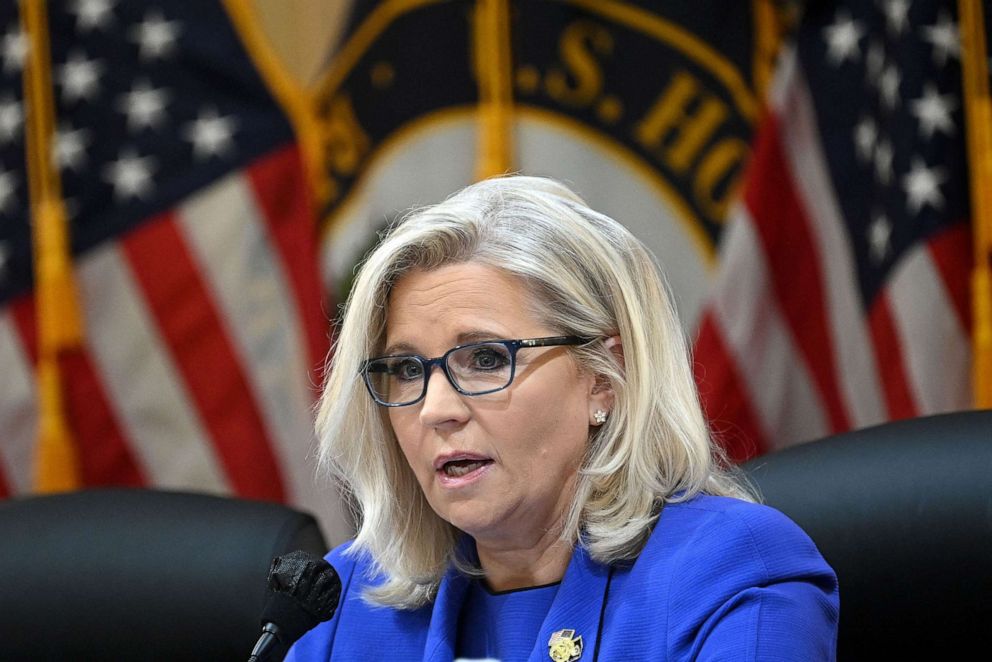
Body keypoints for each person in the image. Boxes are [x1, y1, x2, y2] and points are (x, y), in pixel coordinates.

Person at [288, 175, 839, 661]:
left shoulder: (731, 574)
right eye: (407, 369)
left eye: (485, 359)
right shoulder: (343, 602)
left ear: (605, 376)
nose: (435, 410)